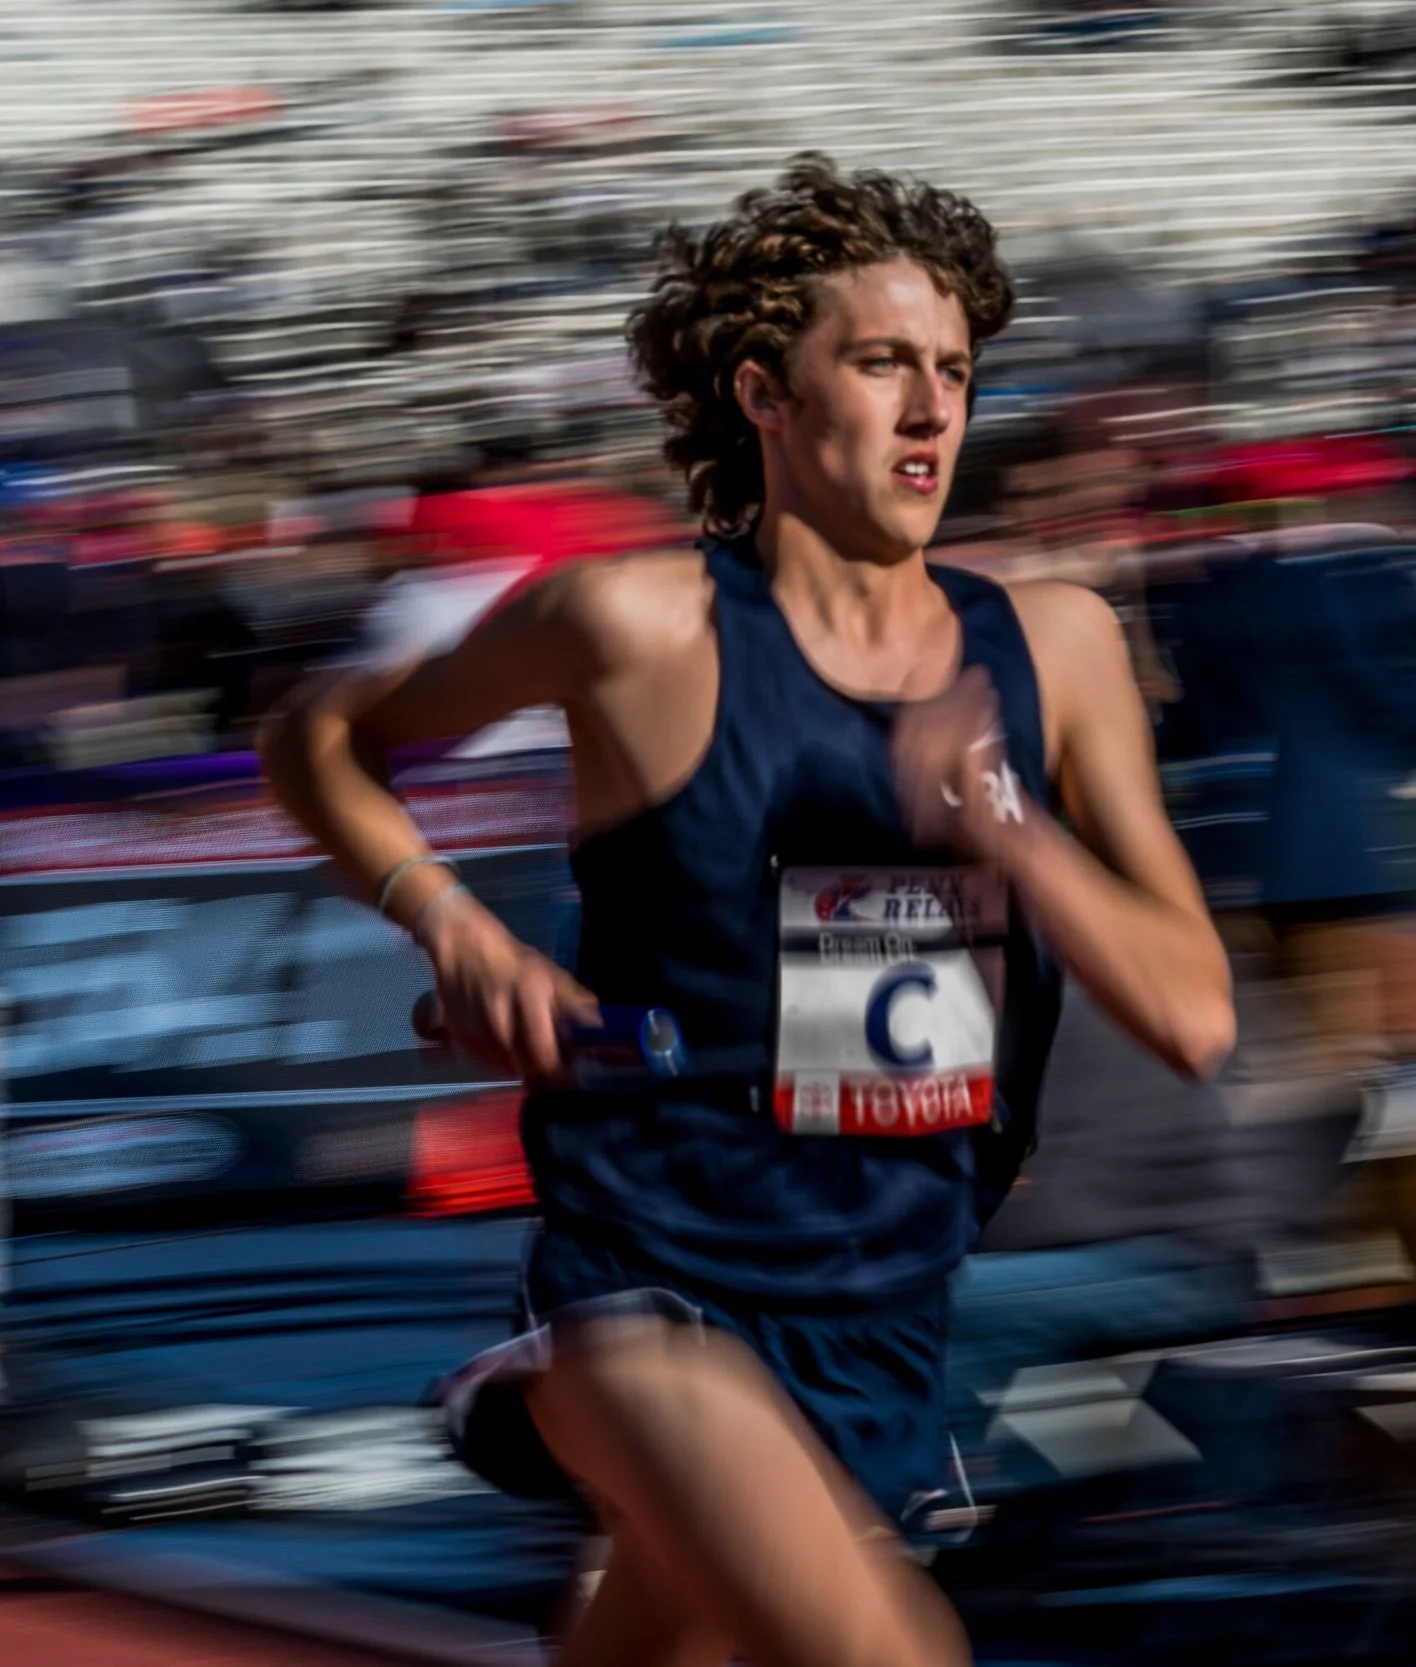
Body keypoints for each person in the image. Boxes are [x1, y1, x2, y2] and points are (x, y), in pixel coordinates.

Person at [258, 155, 1233, 1667]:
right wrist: (451, 920)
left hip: (889, 1298)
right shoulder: (636, 625)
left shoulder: (1060, 646)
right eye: (883, 363)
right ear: (766, 393)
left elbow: (1192, 1011)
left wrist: (1007, 828)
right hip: (654, 1280)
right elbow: (318, 735)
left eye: (956, 370)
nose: (930, 410)